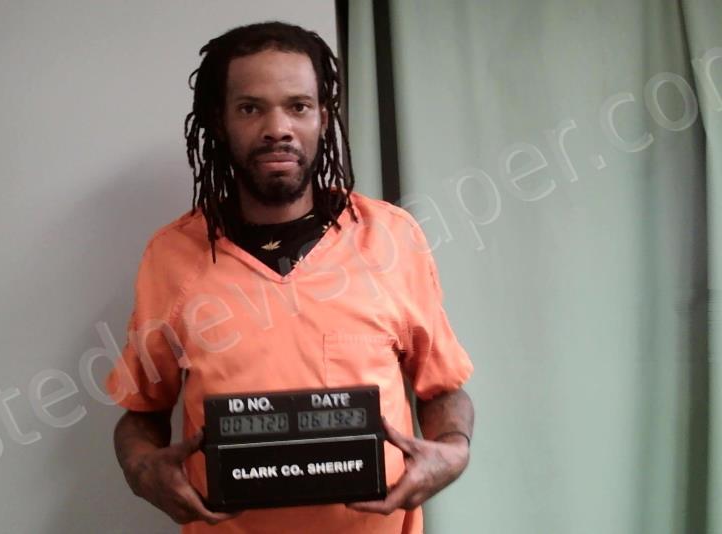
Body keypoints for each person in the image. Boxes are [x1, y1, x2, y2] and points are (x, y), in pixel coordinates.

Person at [106, 21, 475, 534]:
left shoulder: (391, 238)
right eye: (250, 108)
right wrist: (140, 467)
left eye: (298, 106)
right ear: (219, 121)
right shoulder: (171, 255)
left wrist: (453, 450)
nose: (277, 127)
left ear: (323, 117)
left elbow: (443, 389)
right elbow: (142, 411)